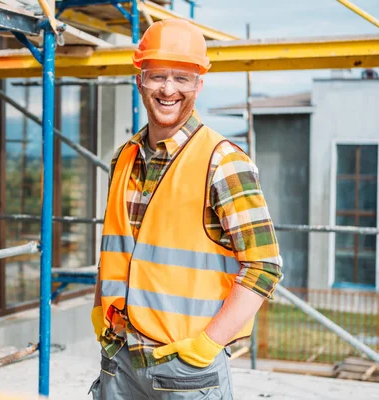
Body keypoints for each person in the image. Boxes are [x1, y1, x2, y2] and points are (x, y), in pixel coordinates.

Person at [89, 19, 283, 399]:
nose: (168, 89)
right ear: (139, 79)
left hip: (187, 371)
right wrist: (100, 310)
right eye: (157, 76)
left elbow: (264, 265)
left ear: (199, 84)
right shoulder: (124, 158)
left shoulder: (222, 161)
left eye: (182, 78)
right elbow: (118, 249)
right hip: (119, 357)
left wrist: (208, 344)